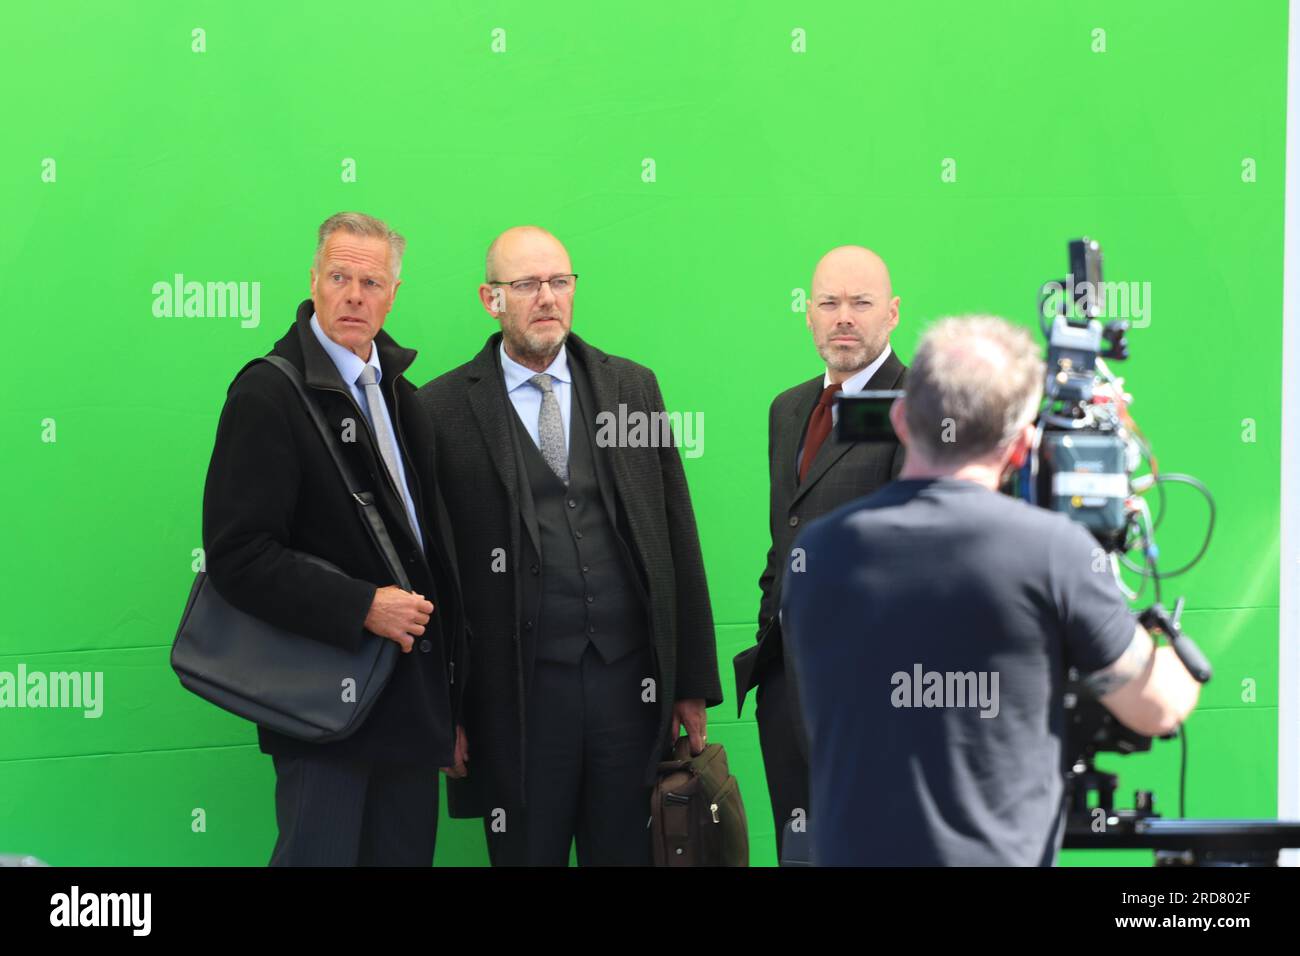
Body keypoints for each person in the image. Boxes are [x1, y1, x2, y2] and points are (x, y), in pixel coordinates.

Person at [782, 315, 1201, 866]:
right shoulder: (1053, 554)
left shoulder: (819, 552)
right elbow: (1157, 709)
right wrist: (1169, 653)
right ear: (1024, 444)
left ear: (902, 419)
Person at [416, 225, 721, 866]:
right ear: (490, 299)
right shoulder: (439, 409)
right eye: (526, 285)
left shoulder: (631, 389)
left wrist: (690, 681)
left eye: (559, 282)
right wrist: (443, 709)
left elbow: (676, 536)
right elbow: (432, 573)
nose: (547, 297)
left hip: (629, 693)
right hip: (515, 705)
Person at [202, 211, 465, 866]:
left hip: (409, 709)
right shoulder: (268, 393)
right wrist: (361, 606)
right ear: (314, 282)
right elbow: (238, 556)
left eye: (371, 282)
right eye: (340, 276)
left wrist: (453, 704)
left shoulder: (406, 400)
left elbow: (434, 556)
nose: (355, 295)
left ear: (393, 295)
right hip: (323, 709)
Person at [734, 245, 906, 860]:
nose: (844, 318)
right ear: (808, 314)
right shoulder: (789, 408)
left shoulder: (916, 410)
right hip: (787, 691)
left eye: (861, 303)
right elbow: (786, 539)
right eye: (829, 303)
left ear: (892, 313)